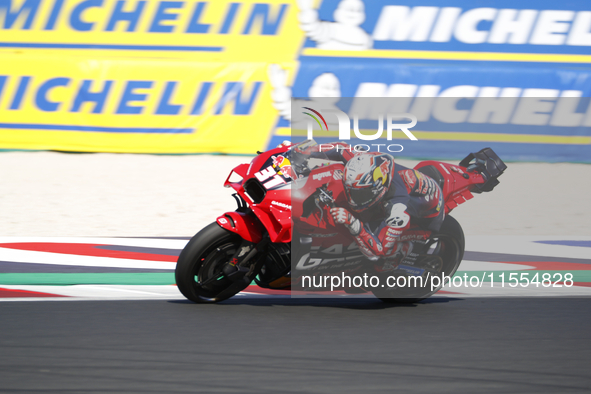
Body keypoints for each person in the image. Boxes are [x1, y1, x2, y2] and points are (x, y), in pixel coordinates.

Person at [325, 144, 445, 262]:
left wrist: (352, 222)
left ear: (378, 188)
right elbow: (340, 148)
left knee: (382, 259)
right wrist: (309, 150)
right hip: (408, 193)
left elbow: (377, 252)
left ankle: (403, 251)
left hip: (425, 220)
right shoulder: (364, 162)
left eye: (361, 194)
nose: (352, 200)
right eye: (350, 191)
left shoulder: (398, 210)